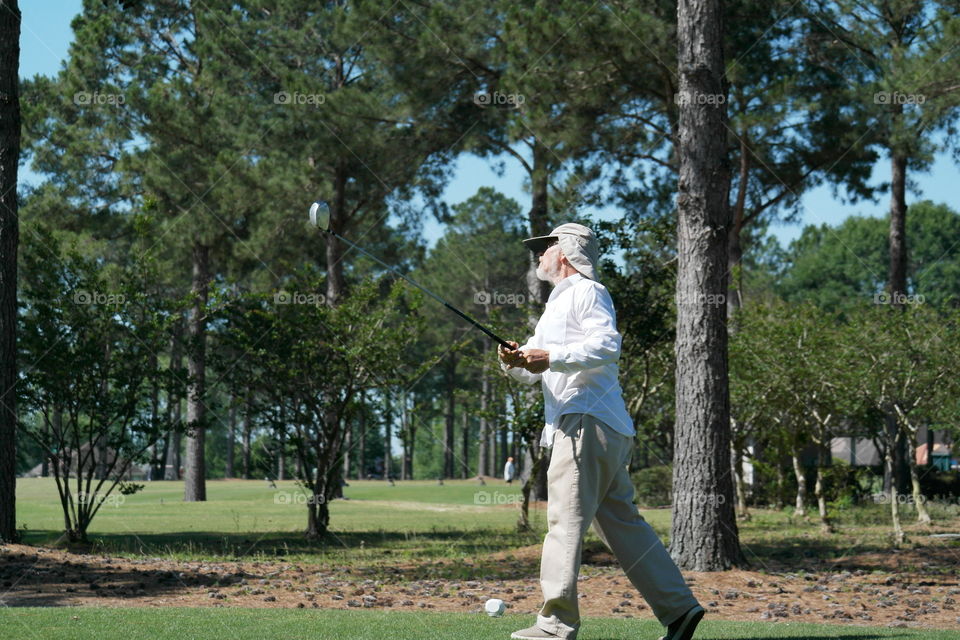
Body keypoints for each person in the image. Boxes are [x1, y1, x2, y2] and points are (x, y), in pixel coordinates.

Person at [498, 223, 703, 640]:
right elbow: (532, 370)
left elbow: (607, 345)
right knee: (624, 527)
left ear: (566, 253)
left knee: (564, 522)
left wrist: (549, 356)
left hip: (584, 423)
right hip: (599, 425)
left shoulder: (588, 291)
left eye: (546, 246)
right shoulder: (556, 303)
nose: (538, 254)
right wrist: (514, 361)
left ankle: (555, 626)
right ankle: (679, 609)